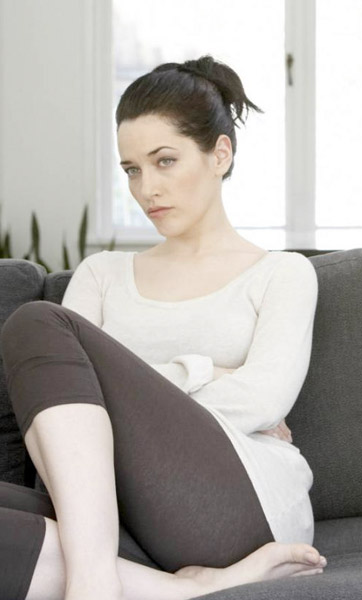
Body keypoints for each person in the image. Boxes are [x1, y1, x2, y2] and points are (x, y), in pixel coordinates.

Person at [0, 55, 326, 600]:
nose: (146, 188)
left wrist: (108, 399)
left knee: (36, 324)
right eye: (132, 169)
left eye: (165, 161)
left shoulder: (282, 273)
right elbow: (60, 398)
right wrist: (209, 372)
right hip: (112, 510)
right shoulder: (101, 274)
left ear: (220, 154)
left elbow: (263, 399)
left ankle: (94, 586)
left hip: (236, 505)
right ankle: (174, 590)